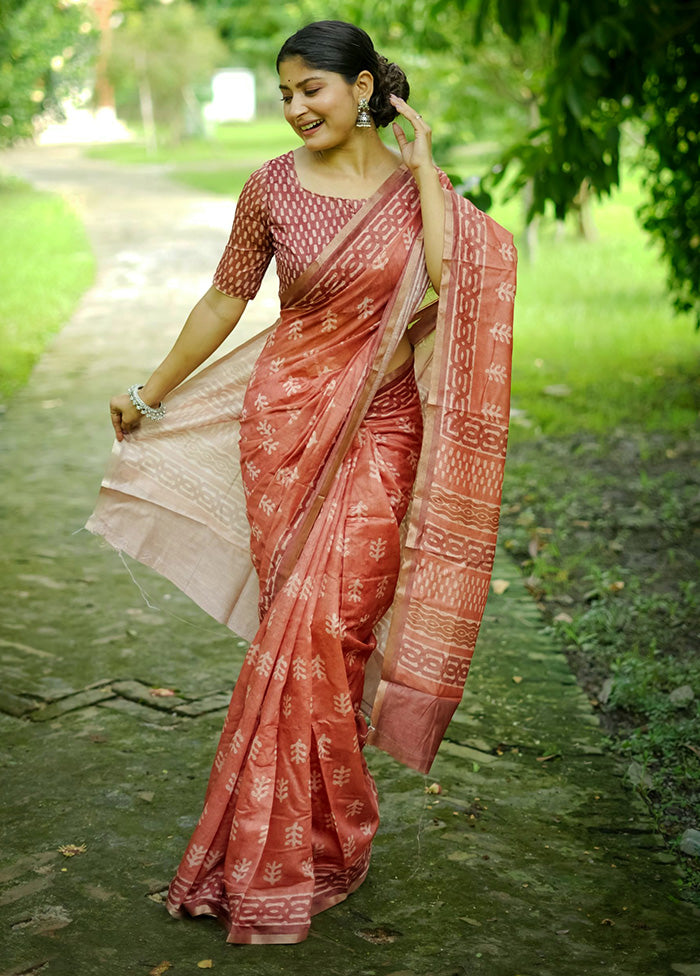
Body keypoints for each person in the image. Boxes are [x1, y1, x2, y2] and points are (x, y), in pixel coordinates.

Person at [88, 20, 516, 945]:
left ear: (363, 88)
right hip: (283, 424)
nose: (294, 109)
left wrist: (429, 164)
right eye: (283, 93)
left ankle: (327, 835)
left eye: (310, 90)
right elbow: (225, 298)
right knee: (299, 625)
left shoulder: (419, 194)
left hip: (384, 425)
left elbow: (454, 280)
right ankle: (282, 849)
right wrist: (148, 393)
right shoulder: (270, 188)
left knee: (336, 628)